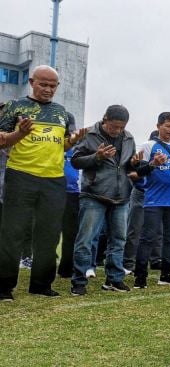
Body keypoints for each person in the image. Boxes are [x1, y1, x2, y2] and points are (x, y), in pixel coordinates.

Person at [0, 65, 86, 301]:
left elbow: (64, 145)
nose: (48, 89)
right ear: (32, 82)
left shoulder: (62, 112)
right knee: (13, 232)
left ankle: (41, 284)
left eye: (52, 86)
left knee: (48, 233)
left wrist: (74, 140)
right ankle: (4, 286)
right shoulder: (15, 107)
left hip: (53, 179)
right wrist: (19, 134)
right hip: (21, 175)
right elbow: (1, 140)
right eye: (43, 84)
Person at [70, 105, 137, 295]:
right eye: (114, 126)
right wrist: (96, 157)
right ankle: (79, 280)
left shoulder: (129, 137)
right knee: (85, 239)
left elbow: (128, 165)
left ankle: (114, 279)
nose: (117, 131)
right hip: (94, 194)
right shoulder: (89, 134)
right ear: (105, 119)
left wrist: (135, 164)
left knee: (118, 240)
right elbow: (76, 161)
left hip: (121, 195)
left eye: (121, 127)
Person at [133, 112, 170, 289]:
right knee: (148, 238)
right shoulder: (149, 146)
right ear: (158, 126)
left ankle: (167, 274)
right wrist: (153, 164)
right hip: (154, 200)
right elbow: (138, 172)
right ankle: (140, 277)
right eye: (168, 126)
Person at [58, 143, 81, 278]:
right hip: (54, 190)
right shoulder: (58, 146)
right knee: (49, 232)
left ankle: (66, 267)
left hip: (74, 193)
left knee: (71, 233)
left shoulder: (79, 150)